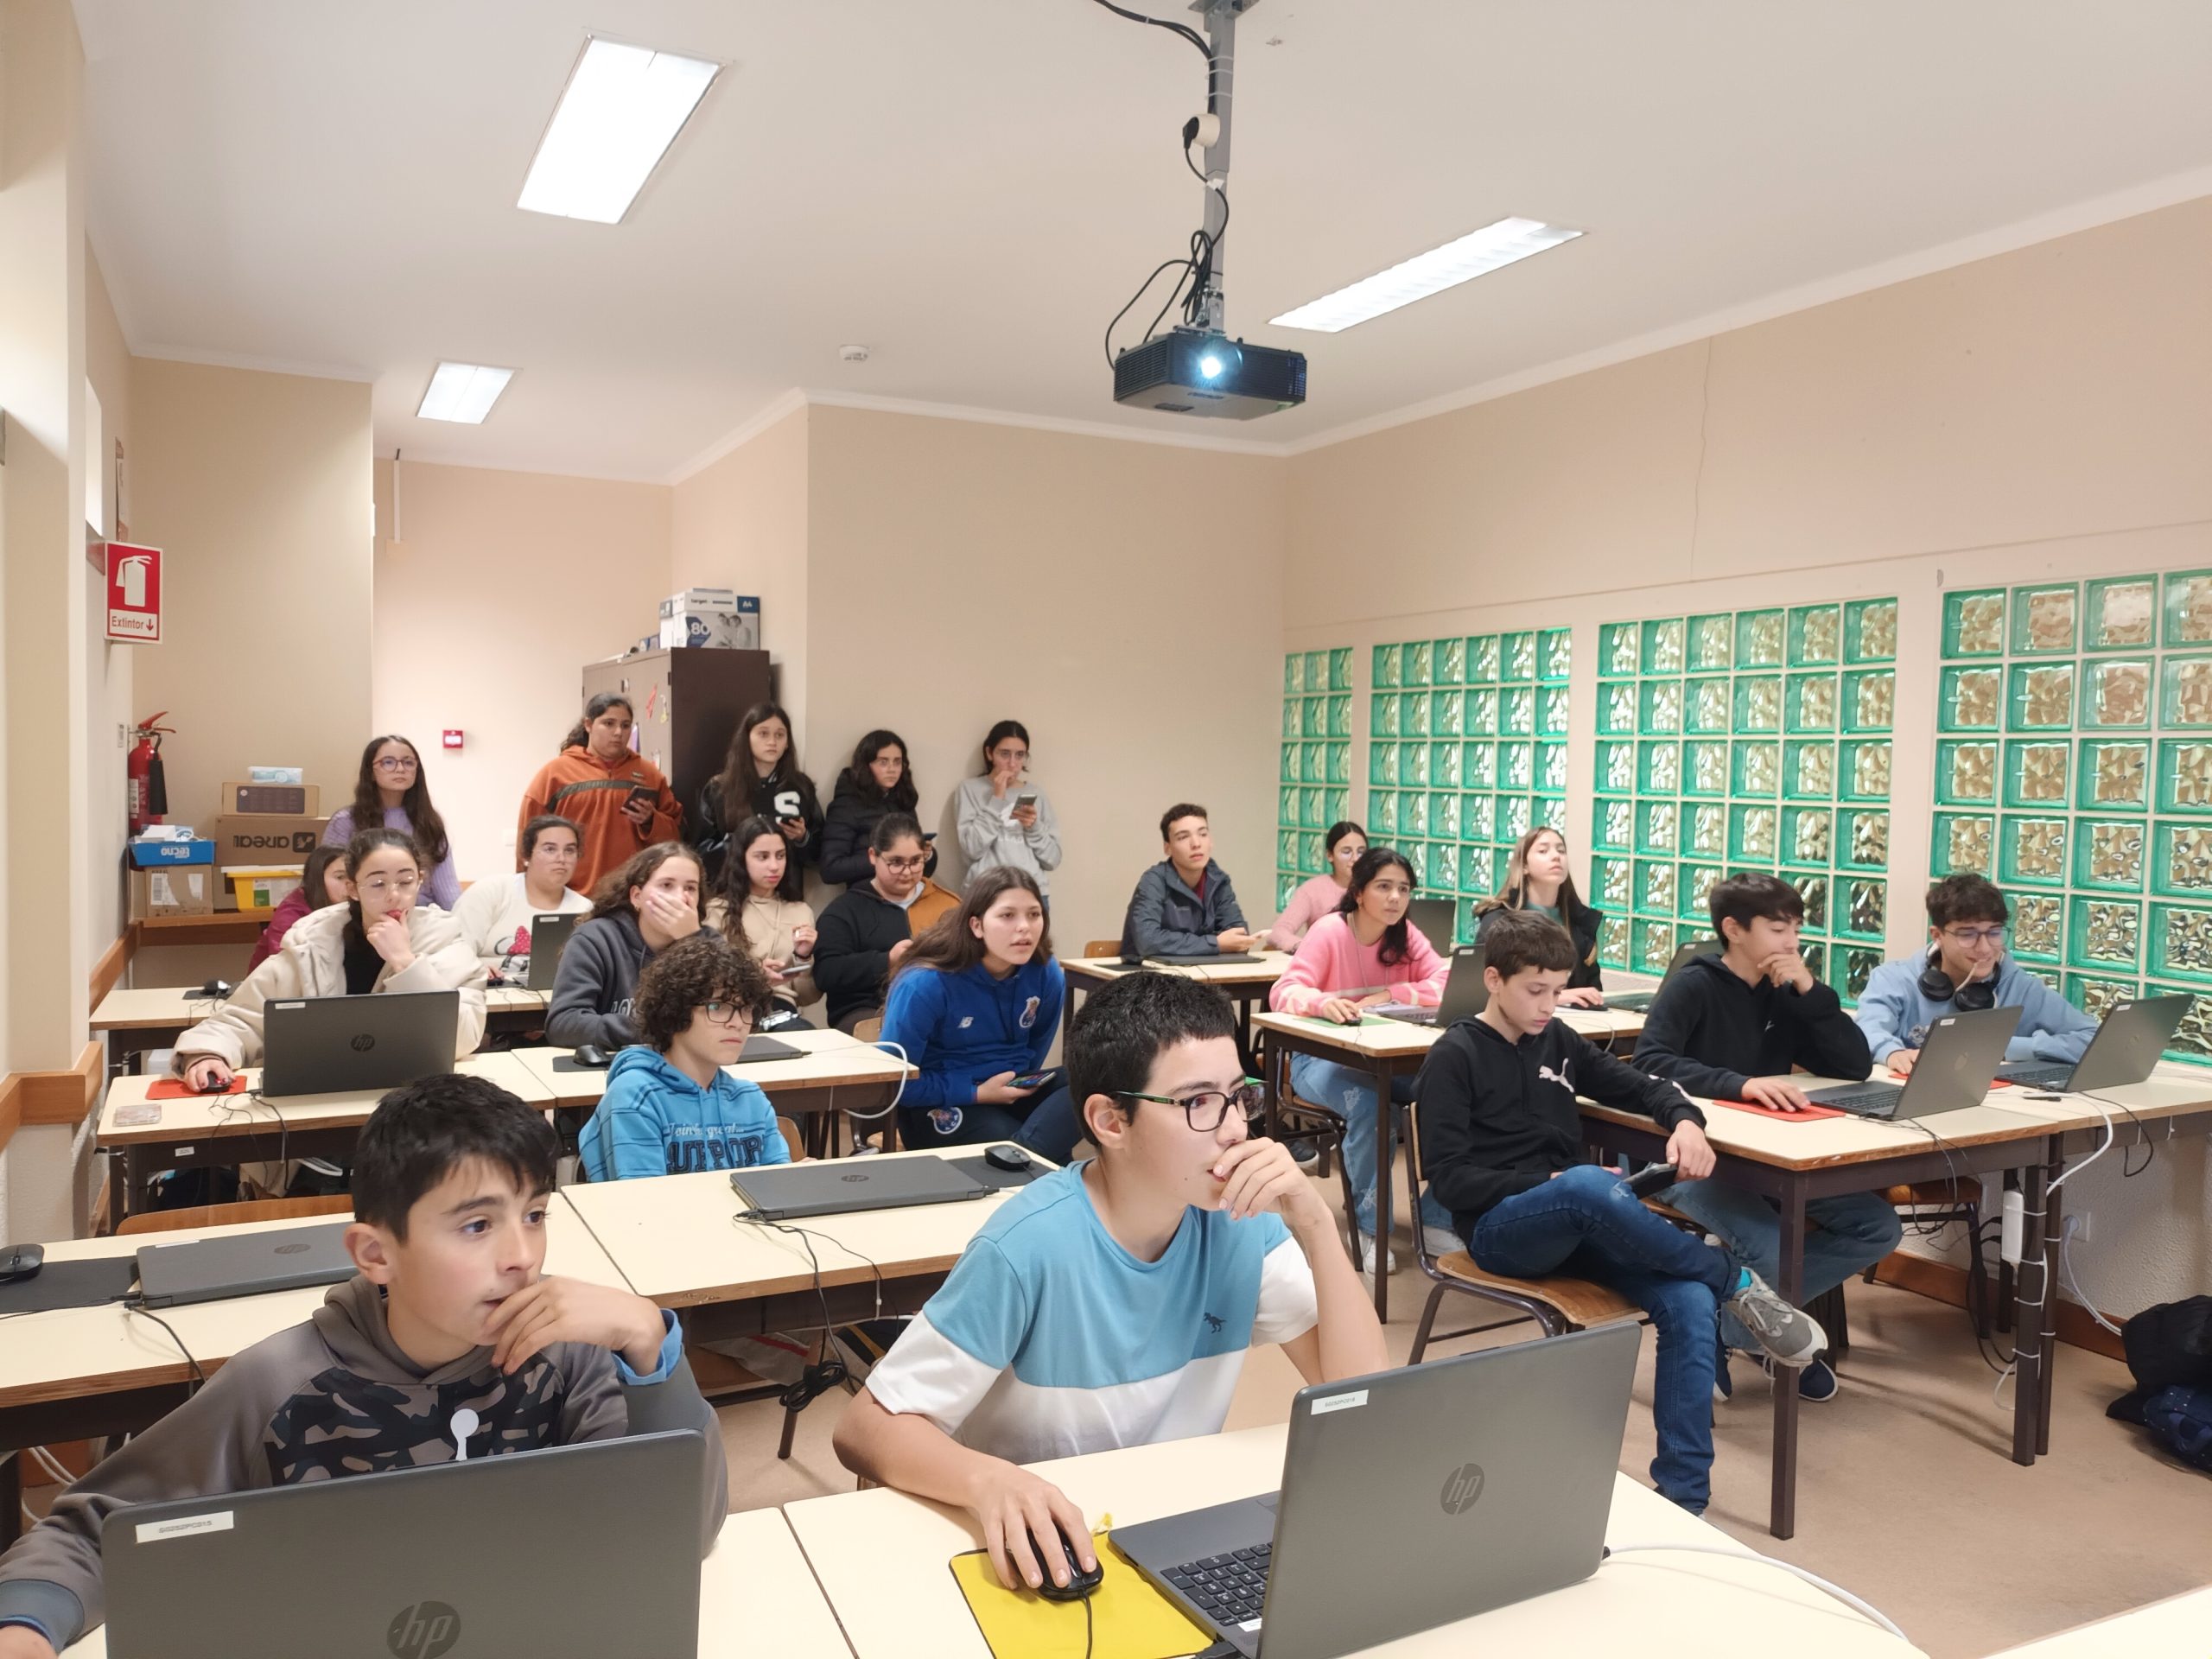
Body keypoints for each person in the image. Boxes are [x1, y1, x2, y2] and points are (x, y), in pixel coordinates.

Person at [0, 1075, 728, 1656]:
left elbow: (676, 1536)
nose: (521, 1257)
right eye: (477, 1225)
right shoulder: (277, 1384)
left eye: (534, 1215)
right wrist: (28, 1625)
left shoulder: (567, 1359)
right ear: (376, 1254)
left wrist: (647, 1341)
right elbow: (92, 1532)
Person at [830, 970, 1385, 1593]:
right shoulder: (1029, 1245)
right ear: (1111, 1122)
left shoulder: (1241, 1225)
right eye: (1198, 1103)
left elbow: (1359, 1398)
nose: (1236, 1129)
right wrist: (988, 1481)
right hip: (1043, 1553)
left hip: (1169, 1533)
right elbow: (864, 1429)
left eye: (1239, 1096)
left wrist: (1314, 1222)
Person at [1416, 909, 1825, 1516]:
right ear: (1494, 980)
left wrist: (1686, 1123)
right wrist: (1548, 1182)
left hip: (1579, 1223)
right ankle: (1735, 1280)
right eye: (1535, 991)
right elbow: (1450, 1180)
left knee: (1687, 1300)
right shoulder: (1455, 1055)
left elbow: (1645, 1084)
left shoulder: (1557, 1039)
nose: (1548, 1006)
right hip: (1500, 1231)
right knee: (1587, 1185)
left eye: (1558, 991)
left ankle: (1684, 1496)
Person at [1633, 872, 1894, 1403]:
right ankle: (1766, 1331)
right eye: (1778, 929)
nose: (1792, 941)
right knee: (1772, 1243)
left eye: (1796, 928)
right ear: (1734, 929)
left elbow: (1853, 1065)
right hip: (1688, 1158)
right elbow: (1649, 1062)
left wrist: (1811, 993)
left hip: (1769, 1158)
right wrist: (1741, 1084)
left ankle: (1732, 1324)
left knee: (1877, 1227)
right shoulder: (1694, 984)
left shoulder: (1786, 993)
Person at [173, 829, 489, 1089]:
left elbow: (462, 1038)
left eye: (406, 882)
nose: (394, 895)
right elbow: (242, 1018)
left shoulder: (446, 940)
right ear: (352, 888)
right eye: (378, 884)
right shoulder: (311, 944)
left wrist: (405, 963)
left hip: (412, 1100)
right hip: (319, 1097)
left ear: (420, 880)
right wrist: (207, 1055)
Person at [1268, 848, 1454, 1262]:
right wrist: (1322, 1003)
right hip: (1319, 1061)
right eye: (1383, 887)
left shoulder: (1404, 934)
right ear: (1358, 892)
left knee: (1454, 1094)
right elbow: (1282, 991)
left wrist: (1390, 994)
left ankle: (1435, 1218)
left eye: (1403, 889)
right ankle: (1370, 1230)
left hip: (1383, 1058)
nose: (1395, 897)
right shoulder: (1330, 931)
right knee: (1373, 1109)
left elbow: (1445, 979)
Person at [879, 867, 1081, 1163]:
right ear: (976, 925)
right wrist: (977, 1093)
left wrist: (1006, 1088)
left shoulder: (1045, 972)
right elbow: (894, 1084)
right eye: (1007, 915)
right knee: (1040, 1146)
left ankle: (1023, 1157)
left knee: (1097, 1079)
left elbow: (1034, 1051)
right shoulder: (925, 983)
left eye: (1034, 914)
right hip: (939, 1102)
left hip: (1010, 1090)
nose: (1024, 927)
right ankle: (1031, 1160)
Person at [579, 933, 791, 1179]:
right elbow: (642, 1197)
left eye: (746, 1009)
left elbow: (778, 1189)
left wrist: (794, 1179)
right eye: (717, 1007)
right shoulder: (636, 1096)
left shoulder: (751, 1099)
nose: (737, 1023)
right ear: (675, 1010)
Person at [1855, 874, 2098, 1075]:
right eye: (1967, 934)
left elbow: (2093, 1039)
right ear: (1938, 935)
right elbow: (1865, 1030)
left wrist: (2005, 1047)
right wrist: (1891, 1052)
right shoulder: (1893, 979)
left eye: (1994, 933)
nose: (1984, 948)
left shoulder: (2021, 987)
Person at [544, 842, 712, 1052]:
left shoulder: (707, 942)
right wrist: (659, 1029)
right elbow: (564, 1024)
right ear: (636, 897)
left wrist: (692, 942)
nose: (679, 898)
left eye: (690, 888)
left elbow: (734, 1013)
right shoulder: (596, 939)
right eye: (666, 885)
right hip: (619, 1063)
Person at [516, 693, 681, 899]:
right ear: (588, 725)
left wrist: (651, 821)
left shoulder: (650, 775)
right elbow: (527, 839)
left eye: (625, 725)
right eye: (609, 723)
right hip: (569, 897)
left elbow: (676, 837)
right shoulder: (555, 774)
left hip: (631, 896)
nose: (618, 732)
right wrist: (526, 894)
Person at [812, 813, 960, 1033]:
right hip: (867, 1011)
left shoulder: (948, 904)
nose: (907, 872)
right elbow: (826, 973)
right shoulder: (844, 911)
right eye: (896, 863)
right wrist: (888, 961)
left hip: (940, 1003)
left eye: (916, 861)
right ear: (873, 856)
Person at [695, 702, 823, 895]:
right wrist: (740, 843)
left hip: (785, 892)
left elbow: (821, 851)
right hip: (732, 893)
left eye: (780, 735)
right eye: (763, 733)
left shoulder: (801, 786)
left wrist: (802, 838)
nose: (772, 742)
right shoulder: (720, 788)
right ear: (747, 738)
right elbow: (701, 852)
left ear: (787, 742)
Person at [706, 816, 821, 1030]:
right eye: (762, 857)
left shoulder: (800, 911)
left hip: (782, 1010)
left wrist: (803, 957)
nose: (774, 866)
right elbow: (708, 978)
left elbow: (807, 997)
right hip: (732, 1007)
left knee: (803, 1032)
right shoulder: (718, 910)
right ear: (742, 859)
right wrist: (753, 974)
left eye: (780, 856)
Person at [1474, 825, 1607, 1009]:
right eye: (1543, 851)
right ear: (1524, 866)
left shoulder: (1579, 923)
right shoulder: (1499, 921)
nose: (1556, 856)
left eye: (1561, 851)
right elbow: (1481, 989)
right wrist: (1556, 997)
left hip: (1574, 1021)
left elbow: (1591, 991)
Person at [321, 734, 461, 910]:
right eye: (388, 762)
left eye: (408, 762)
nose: (400, 769)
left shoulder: (429, 822)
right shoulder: (346, 821)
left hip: (422, 915)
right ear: (371, 772)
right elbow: (331, 882)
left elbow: (448, 891)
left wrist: (459, 920)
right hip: (363, 915)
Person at [451, 814, 593, 985]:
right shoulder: (490, 892)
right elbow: (454, 952)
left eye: (569, 850)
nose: (561, 859)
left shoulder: (585, 910)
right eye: (550, 849)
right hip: (486, 989)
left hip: (554, 995)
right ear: (527, 855)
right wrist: (476, 970)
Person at [1119, 803, 1264, 958]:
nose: (1196, 844)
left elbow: (1239, 937)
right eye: (1183, 837)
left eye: (1203, 834)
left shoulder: (1218, 880)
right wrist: (1215, 943)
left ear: (1211, 841)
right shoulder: (1153, 881)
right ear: (1168, 848)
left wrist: (1224, 943)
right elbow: (1148, 941)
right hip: (1148, 971)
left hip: (1203, 969)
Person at [953, 721, 1062, 904]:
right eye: (1005, 754)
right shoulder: (970, 789)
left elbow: (1053, 860)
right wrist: (997, 798)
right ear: (990, 753)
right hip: (984, 892)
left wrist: (1034, 827)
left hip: (1031, 892)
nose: (1012, 764)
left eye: (1020, 755)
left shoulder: (1036, 793)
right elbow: (971, 850)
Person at [819, 728, 937, 888]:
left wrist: (926, 855)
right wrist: (884, 858)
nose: (892, 769)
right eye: (883, 762)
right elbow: (830, 869)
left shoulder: (903, 800)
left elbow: (923, 870)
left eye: (897, 762)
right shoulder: (846, 805)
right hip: (867, 893)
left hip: (907, 890)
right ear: (866, 766)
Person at [1265, 820, 1365, 950]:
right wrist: (1307, 947)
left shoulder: (1375, 888)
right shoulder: (1312, 890)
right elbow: (1277, 932)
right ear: (1330, 855)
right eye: (1346, 852)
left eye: (1361, 852)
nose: (1356, 858)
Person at [245, 842, 347, 971]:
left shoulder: (353, 906)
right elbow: (287, 970)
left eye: (354, 877)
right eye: (340, 877)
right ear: (317, 878)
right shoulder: (290, 914)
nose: (349, 884)